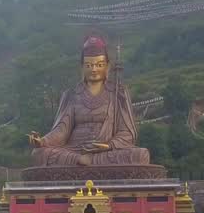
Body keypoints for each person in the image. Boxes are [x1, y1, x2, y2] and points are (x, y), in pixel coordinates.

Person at [29, 35, 151, 166]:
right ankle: (82, 160)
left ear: (107, 66)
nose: (94, 69)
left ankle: (87, 162)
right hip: (74, 151)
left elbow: (127, 132)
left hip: (105, 151)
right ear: (82, 67)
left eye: (99, 65)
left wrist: (109, 145)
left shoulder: (118, 93)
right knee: (38, 153)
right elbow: (61, 130)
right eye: (88, 65)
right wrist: (42, 141)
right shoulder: (72, 94)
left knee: (141, 155)